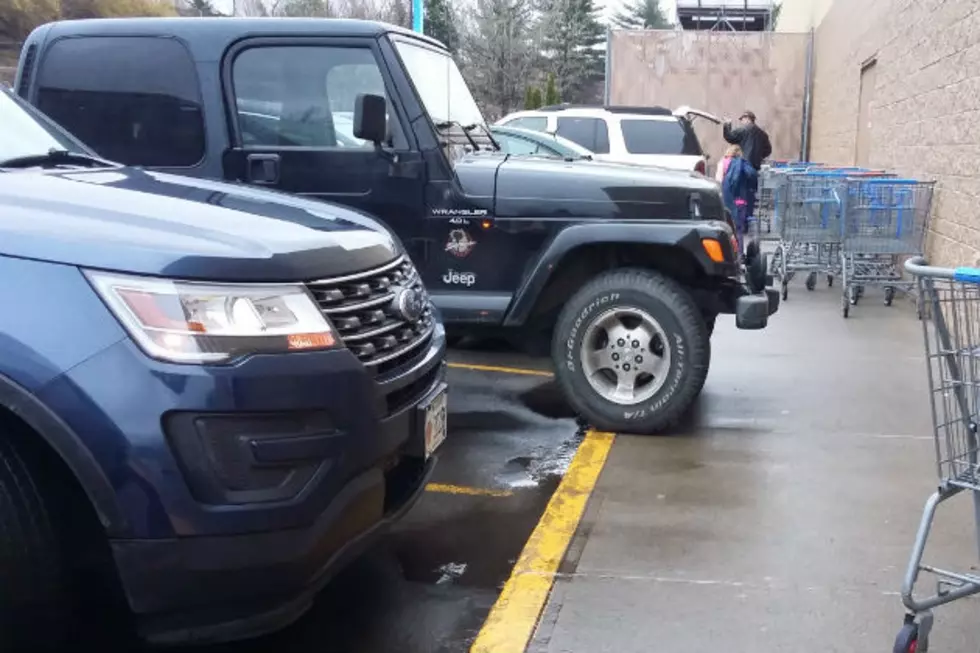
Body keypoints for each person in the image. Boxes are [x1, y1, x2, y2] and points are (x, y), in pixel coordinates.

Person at [722, 110, 772, 220]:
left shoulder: (743, 130)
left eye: (742, 119)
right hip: (754, 168)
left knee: (740, 194)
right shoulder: (762, 134)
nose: (741, 122)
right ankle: (747, 218)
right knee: (750, 194)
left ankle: (739, 220)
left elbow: (730, 137)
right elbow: (768, 150)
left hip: (742, 166)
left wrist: (727, 125)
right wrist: (759, 156)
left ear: (748, 119)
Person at [722, 149, 758, 257]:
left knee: (727, 229)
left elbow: (719, 180)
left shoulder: (724, 163)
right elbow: (752, 177)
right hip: (741, 201)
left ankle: (729, 254)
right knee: (739, 230)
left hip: (728, 201)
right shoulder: (743, 164)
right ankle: (739, 254)